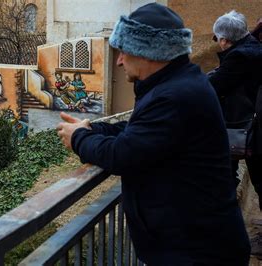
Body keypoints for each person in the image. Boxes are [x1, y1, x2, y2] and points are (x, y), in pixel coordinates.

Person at [57, 3, 250, 265]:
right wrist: (92, 128)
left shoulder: (174, 96)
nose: (119, 59)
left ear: (149, 52)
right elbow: (139, 131)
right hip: (196, 244)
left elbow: (121, 154)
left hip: (197, 252)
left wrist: (78, 138)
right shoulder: (177, 85)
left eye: (124, 50)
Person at [208, 11, 262, 207]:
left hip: (250, 129)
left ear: (224, 40)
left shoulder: (240, 57)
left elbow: (215, 84)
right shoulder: (253, 48)